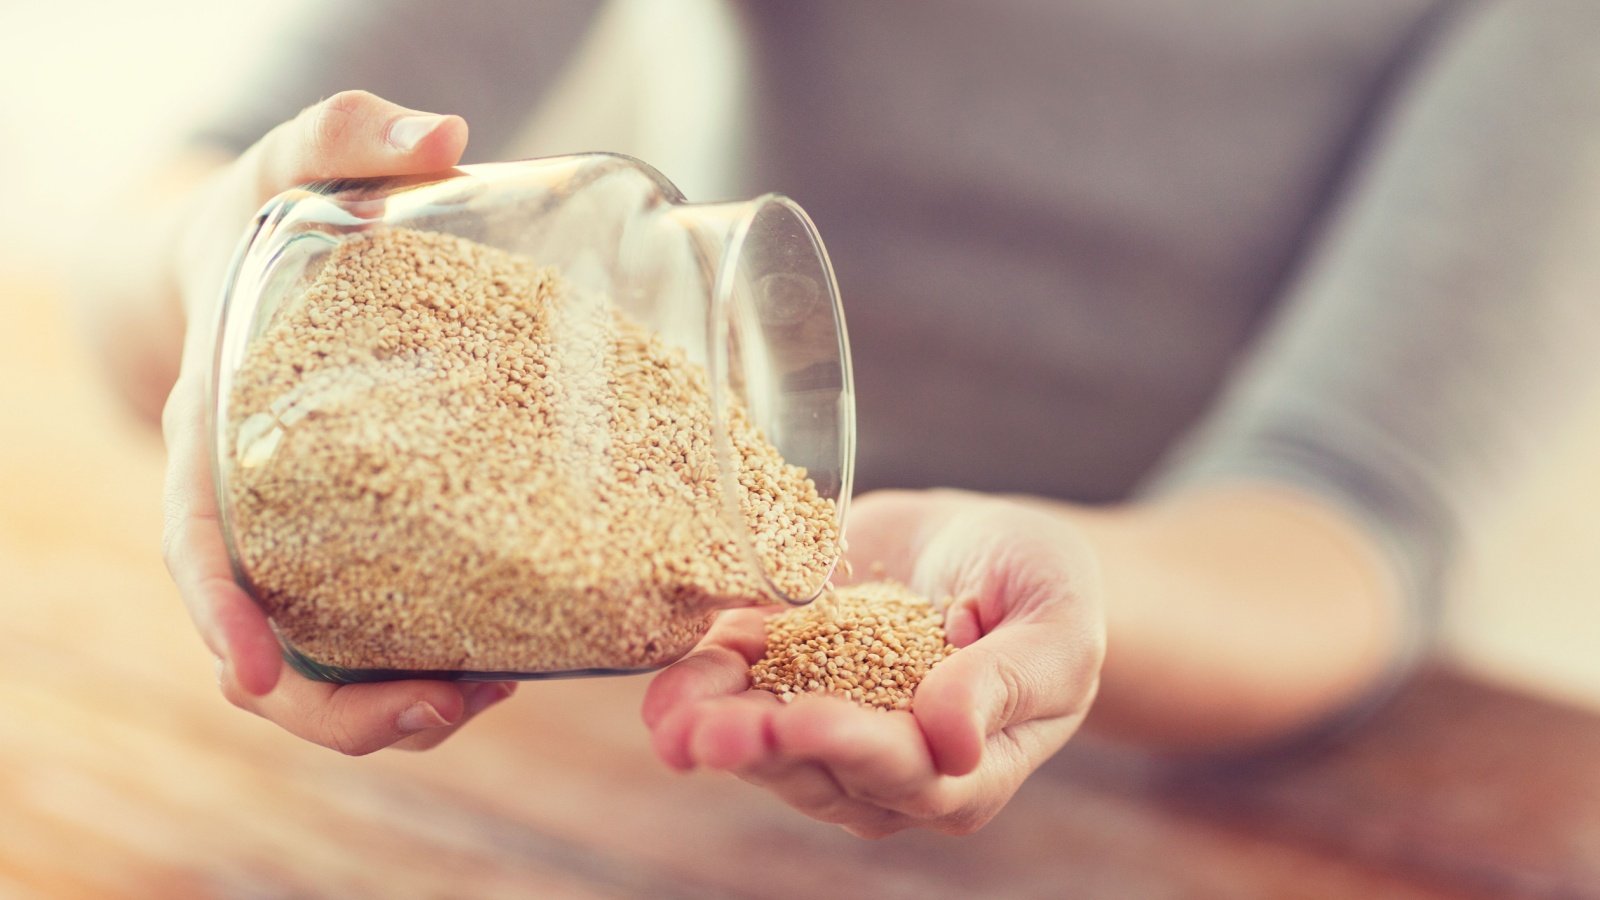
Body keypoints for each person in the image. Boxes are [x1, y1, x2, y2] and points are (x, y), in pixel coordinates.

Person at [76, 1, 1600, 837]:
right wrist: (222, 277)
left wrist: (1054, 589)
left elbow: (1341, 515)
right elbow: (156, 238)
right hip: (657, 671)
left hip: (1181, 739)